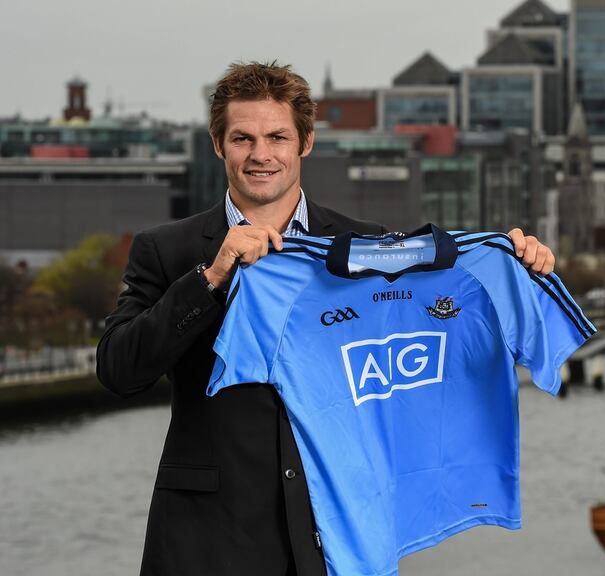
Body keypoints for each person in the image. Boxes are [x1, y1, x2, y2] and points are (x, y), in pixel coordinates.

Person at [95, 61, 555, 576]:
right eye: (243, 138)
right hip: (207, 543)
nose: (261, 155)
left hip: (334, 538)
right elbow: (118, 369)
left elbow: (435, 336)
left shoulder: (365, 245)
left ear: (306, 143)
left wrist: (509, 271)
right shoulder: (166, 250)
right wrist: (211, 277)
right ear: (218, 144)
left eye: (277, 137)